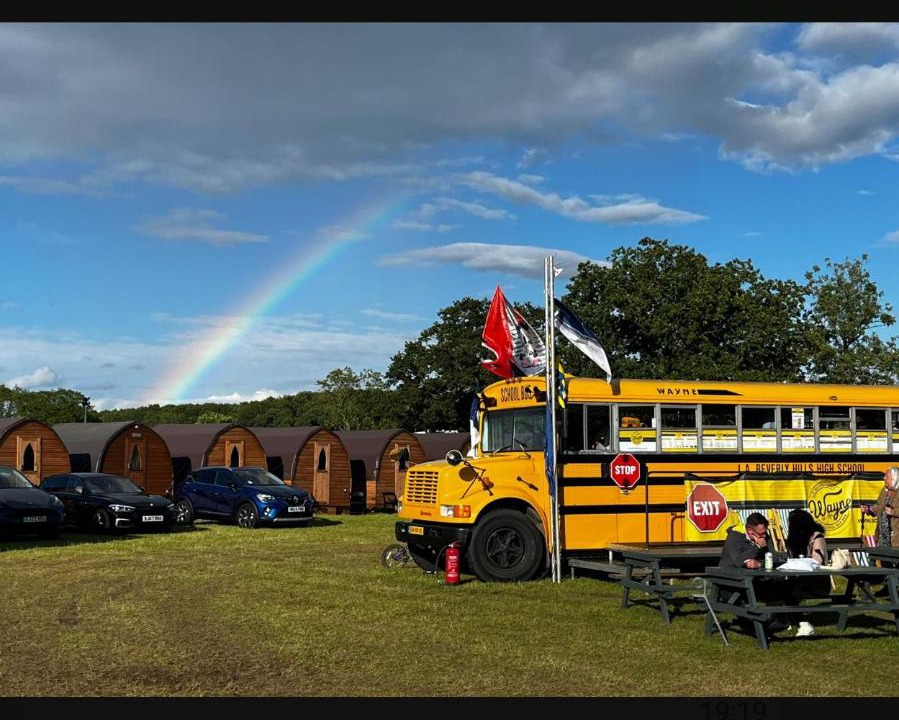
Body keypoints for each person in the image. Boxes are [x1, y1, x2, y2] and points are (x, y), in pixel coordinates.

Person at [785, 508, 830, 637]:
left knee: (791, 591)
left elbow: (818, 561)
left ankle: (803, 623)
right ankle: (784, 619)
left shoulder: (816, 537)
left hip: (817, 581)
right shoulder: (794, 540)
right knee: (781, 587)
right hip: (800, 579)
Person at [862, 466, 899, 548]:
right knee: (884, 559)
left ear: (895, 478)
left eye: (887, 476)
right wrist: (869, 509)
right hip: (883, 537)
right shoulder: (884, 491)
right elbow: (879, 506)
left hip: (896, 539)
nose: (884, 478)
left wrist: (894, 512)